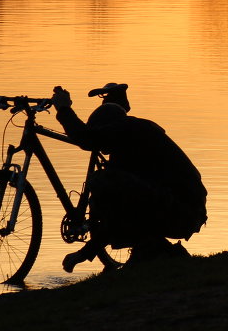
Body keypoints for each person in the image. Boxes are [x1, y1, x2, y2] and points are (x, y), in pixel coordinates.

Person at [51, 83, 207, 272]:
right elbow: (120, 213)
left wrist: (64, 109)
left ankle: (151, 251)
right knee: (116, 191)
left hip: (184, 213)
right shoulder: (133, 139)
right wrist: (84, 253)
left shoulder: (129, 130)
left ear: (109, 129)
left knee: (103, 181)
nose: (103, 149)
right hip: (182, 210)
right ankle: (157, 251)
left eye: (103, 140)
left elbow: (85, 138)